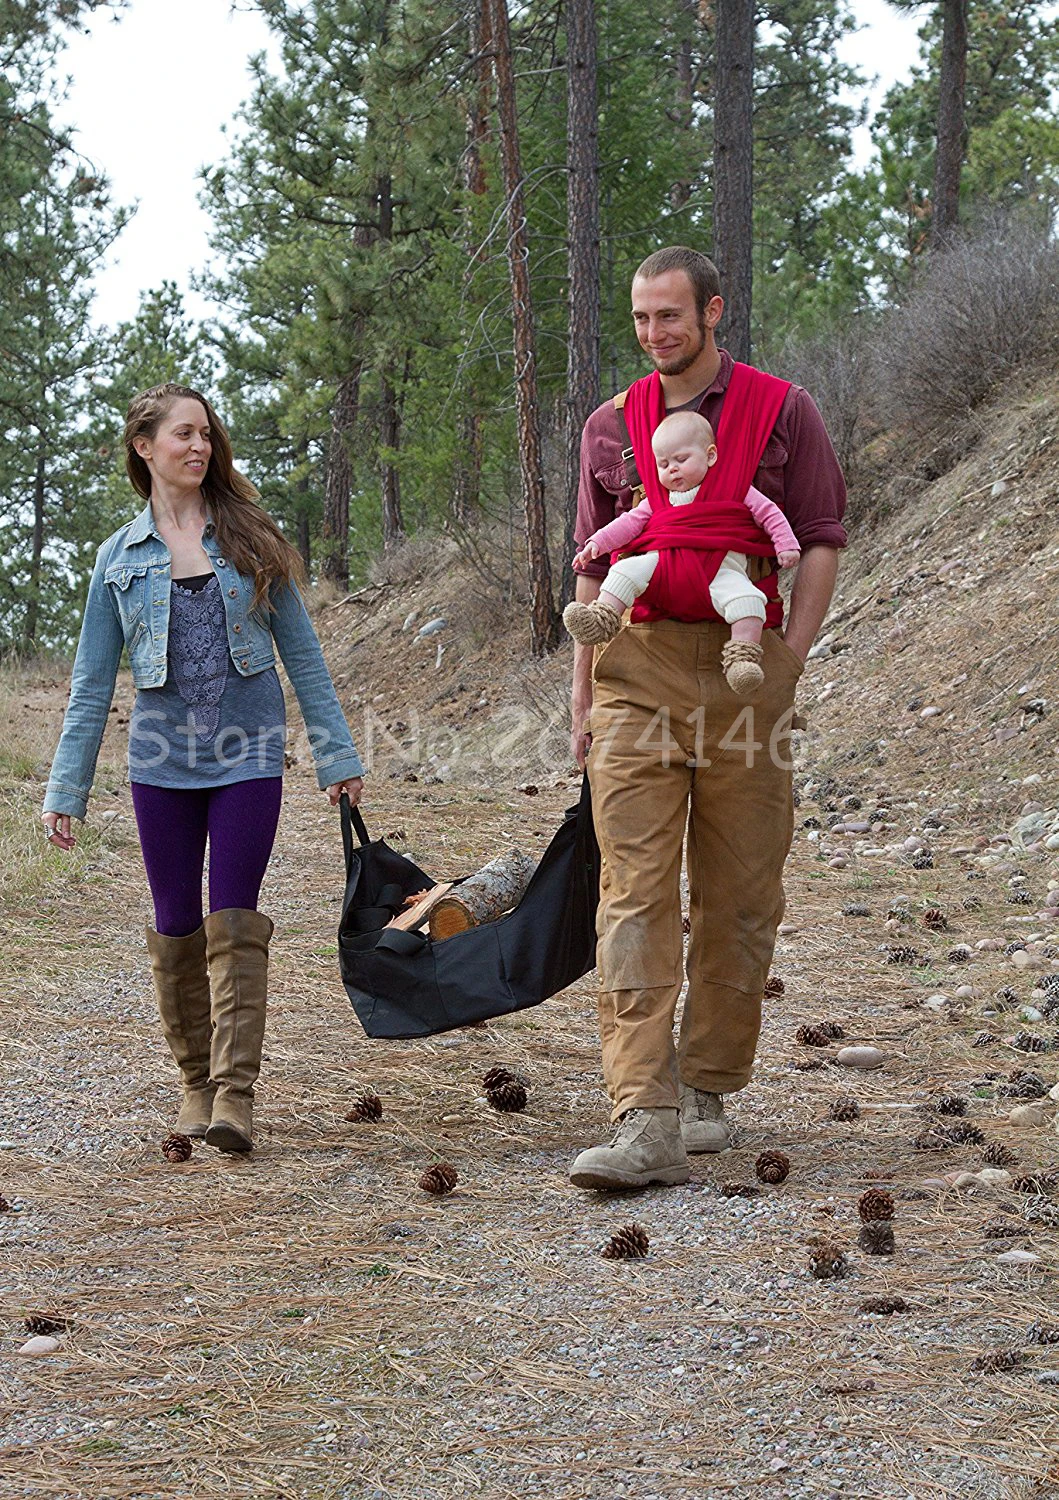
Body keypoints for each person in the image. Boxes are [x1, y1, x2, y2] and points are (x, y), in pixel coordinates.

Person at [568, 247, 846, 1190]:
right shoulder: (609, 427)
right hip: (636, 667)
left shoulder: (785, 410)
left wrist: (790, 655)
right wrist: (581, 697)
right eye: (642, 319)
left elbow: (817, 536)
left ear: (713, 312)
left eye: (671, 318)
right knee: (633, 891)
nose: (654, 336)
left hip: (741, 666)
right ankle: (640, 1116)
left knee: (736, 889)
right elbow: (594, 565)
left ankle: (706, 1092)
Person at [40, 383, 365, 1155]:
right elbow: (91, 683)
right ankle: (193, 1082)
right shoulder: (117, 558)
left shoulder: (249, 536)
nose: (199, 447)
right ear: (144, 447)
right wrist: (66, 789)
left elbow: (303, 656)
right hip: (159, 763)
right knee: (176, 923)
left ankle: (234, 1095)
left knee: (235, 919)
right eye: (183, 435)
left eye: (206, 436)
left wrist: (336, 753)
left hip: (248, 757)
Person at [562, 408, 801, 698]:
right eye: (663, 464)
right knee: (623, 570)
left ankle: (742, 658)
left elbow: (768, 513)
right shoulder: (658, 497)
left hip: (720, 569)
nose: (672, 469)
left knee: (749, 600)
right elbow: (628, 523)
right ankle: (601, 618)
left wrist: (786, 544)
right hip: (664, 566)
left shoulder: (734, 487)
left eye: (681, 460)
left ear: (710, 456)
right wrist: (596, 544)